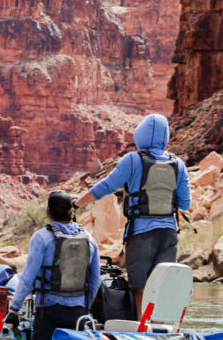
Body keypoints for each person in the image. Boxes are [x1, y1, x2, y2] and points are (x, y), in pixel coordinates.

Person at [75, 113, 191, 316]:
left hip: (142, 233)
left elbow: (106, 186)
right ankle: (160, 328)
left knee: (139, 285)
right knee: (162, 284)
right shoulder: (178, 164)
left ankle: (140, 330)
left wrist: (76, 203)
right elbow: (185, 203)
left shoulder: (132, 160)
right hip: (169, 233)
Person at [8, 191, 101, 340]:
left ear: (48, 212)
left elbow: (28, 277)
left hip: (49, 310)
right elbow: (95, 280)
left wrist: (14, 309)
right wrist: (85, 306)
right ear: (72, 212)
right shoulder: (89, 239)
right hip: (78, 312)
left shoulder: (41, 237)